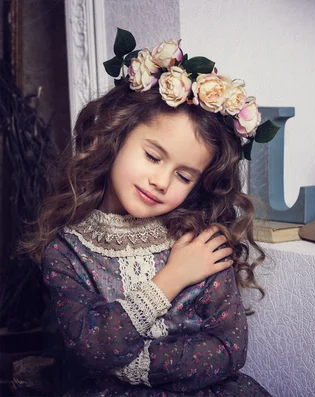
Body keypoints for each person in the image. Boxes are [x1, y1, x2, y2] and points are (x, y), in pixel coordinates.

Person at [23, 32, 274, 396]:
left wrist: (135, 363)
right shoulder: (67, 252)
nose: (160, 181)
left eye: (184, 175)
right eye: (153, 156)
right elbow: (92, 348)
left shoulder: (200, 240)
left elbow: (229, 350)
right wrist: (171, 278)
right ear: (115, 137)